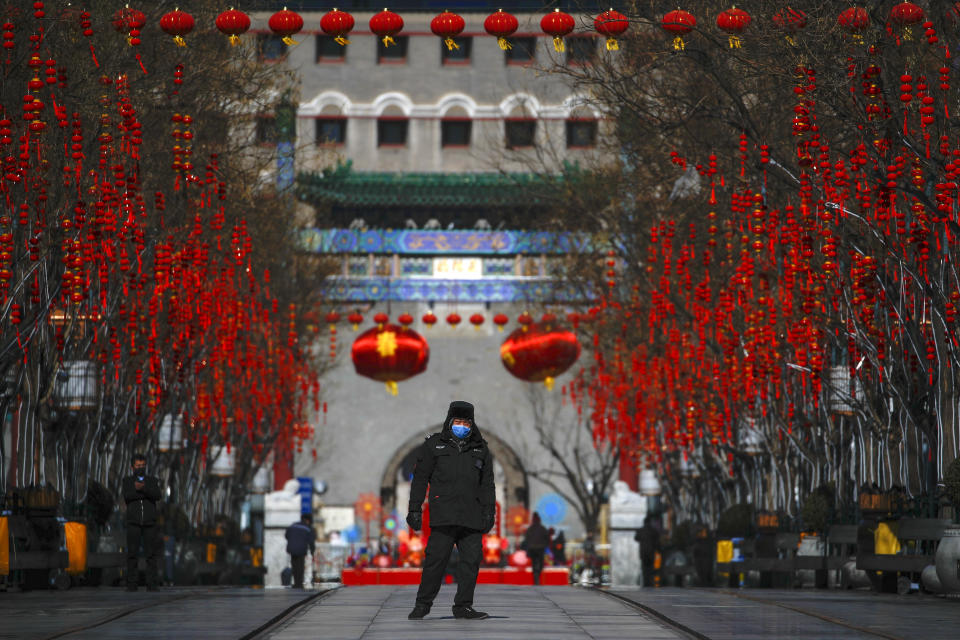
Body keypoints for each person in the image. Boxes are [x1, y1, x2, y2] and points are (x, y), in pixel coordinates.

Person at [406, 400, 495, 620]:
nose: (462, 425)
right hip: (443, 514)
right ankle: (422, 604)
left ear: (472, 424)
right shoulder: (434, 445)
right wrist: (414, 509)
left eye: (466, 422)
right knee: (435, 561)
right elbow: (420, 479)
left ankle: (463, 606)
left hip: (471, 515)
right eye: (458, 421)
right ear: (449, 422)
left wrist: (489, 512)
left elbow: (487, 484)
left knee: (471, 562)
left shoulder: (481, 449)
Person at [122, 454, 162, 591]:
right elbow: (127, 496)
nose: (141, 468)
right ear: (132, 467)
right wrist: (141, 492)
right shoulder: (127, 481)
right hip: (133, 522)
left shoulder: (152, 481)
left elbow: (157, 495)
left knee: (151, 555)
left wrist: (143, 489)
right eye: (138, 466)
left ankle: (152, 584)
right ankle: (132, 584)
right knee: (132, 554)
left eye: (143, 466)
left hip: (149, 523)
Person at [285, 514, 315, 589]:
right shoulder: (308, 528)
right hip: (301, 549)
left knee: (294, 565)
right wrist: (312, 551)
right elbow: (311, 541)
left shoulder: (293, 525)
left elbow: (286, 535)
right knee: (300, 566)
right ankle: (299, 583)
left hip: (292, 548)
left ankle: (296, 583)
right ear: (308, 521)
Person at [522, 512, 550, 585]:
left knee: (536, 564)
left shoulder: (532, 529)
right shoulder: (540, 529)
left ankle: (536, 577)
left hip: (535, 549)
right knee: (539, 564)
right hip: (538, 549)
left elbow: (526, 539)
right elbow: (547, 538)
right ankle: (536, 577)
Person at [635, 515, 661, 587]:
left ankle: (645, 583)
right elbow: (657, 542)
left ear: (644, 522)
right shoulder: (653, 531)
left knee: (644, 568)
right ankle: (650, 583)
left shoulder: (640, 530)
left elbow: (636, 538)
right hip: (651, 552)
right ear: (650, 522)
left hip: (643, 552)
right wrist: (659, 550)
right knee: (650, 568)